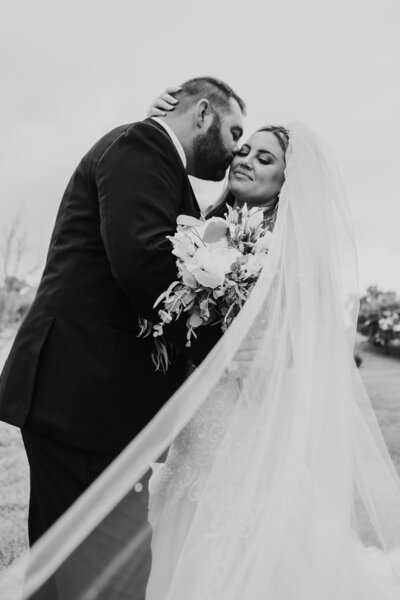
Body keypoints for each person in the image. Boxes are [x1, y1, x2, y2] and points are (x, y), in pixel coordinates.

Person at [19, 109, 400, 599]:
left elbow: (303, 345)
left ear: (287, 182)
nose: (245, 160)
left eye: (265, 158)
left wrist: (264, 354)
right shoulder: (200, 231)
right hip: (196, 425)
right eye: (243, 150)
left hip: (246, 423)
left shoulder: (291, 255)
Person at [0, 76, 245, 599]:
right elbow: (145, 266)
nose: (236, 150)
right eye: (233, 132)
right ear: (202, 113)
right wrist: (219, 344)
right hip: (87, 397)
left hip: (83, 396)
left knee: (68, 566)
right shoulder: (143, 145)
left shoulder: (147, 153)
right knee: (110, 573)